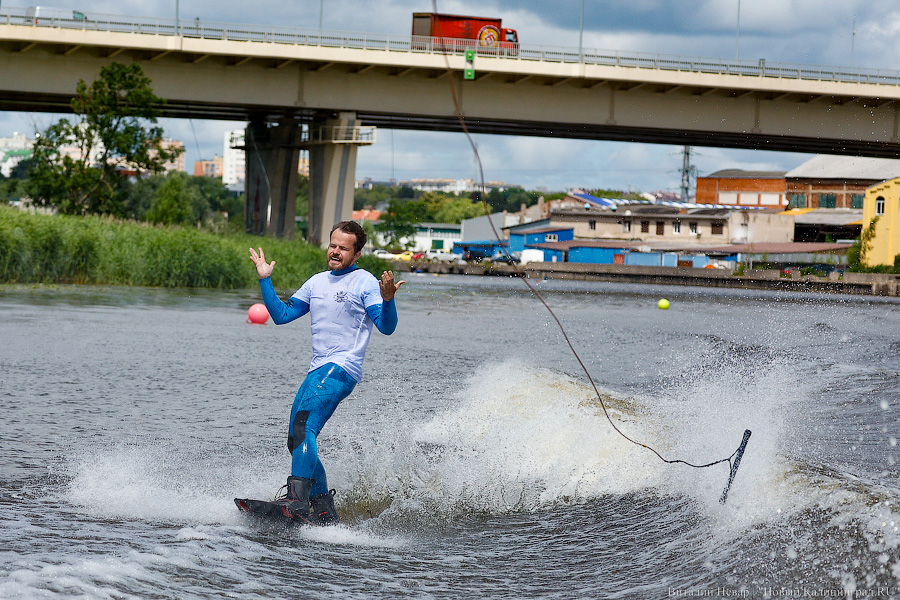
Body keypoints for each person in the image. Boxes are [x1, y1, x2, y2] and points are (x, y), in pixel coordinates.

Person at [248, 221, 404, 525]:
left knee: (303, 428)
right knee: (296, 439)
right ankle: (322, 508)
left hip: (342, 367)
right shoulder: (317, 281)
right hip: (319, 368)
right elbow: (281, 316)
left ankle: (297, 500)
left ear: (356, 254)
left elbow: (387, 326)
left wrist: (388, 301)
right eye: (333, 245)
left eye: (343, 248)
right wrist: (265, 280)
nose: (335, 251)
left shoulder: (365, 282)